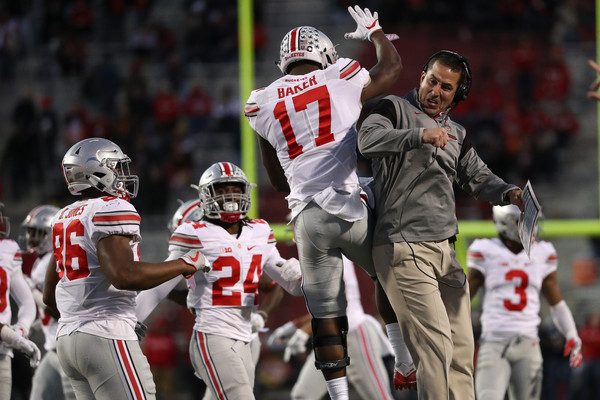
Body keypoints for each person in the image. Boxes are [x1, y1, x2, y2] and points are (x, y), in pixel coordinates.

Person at [244, 6, 405, 399]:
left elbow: (276, 178)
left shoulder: (261, 101)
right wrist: (375, 32)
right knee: (387, 276)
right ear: (324, 55)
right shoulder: (340, 75)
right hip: (349, 205)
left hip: (306, 217)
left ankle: (337, 394)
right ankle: (403, 360)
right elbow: (391, 68)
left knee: (326, 314)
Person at [358, 50, 525, 399]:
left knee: (462, 351)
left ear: (457, 95)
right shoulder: (391, 107)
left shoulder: (457, 133)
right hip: (403, 246)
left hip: (445, 251)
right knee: (436, 349)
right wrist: (418, 136)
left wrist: (508, 192)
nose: (436, 91)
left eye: (446, 87)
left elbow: (478, 176)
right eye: (432, 81)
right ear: (421, 76)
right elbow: (367, 140)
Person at [42, 137, 210, 400]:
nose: (123, 175)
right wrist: (184, 263)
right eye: (116, 167)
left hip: (67, 339)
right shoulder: (112, 208)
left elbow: (48, 298)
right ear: (96, 171)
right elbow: (124, 276)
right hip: (105, 335)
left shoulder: (63, 217)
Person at [135, 162, 303, 400]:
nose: (230, 196)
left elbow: (290, 285)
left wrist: (299, 271)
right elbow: (163, 285)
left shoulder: (260, 230)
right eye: (222, 190)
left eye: (234, 189)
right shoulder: (194, 232)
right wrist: (133, 319)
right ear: (206, 196)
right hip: (212, 334)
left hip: (246, 336)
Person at [468, 205, 582, 400]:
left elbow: (556, 303)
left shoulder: (543, 252)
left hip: (529, 343)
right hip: (493, 343)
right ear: (508, 224)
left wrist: (571, 334)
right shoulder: (485, 250)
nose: (533, 226)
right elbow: (464, 299)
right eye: (526, 221)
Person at [268, 255, 408, 400]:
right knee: (302, 396)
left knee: (379, 397)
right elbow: (325, 308)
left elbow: (342, 306)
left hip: (355, 335)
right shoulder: (310, 250)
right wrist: (294, 325)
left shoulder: (329, 249)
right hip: (329, 337)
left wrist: (304, 331)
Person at [22, 204, 76, 400]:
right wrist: (33, 327)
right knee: (38, 395)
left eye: (36, 232)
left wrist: (32, 290)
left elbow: (59, 310)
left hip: (67, 350)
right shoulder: (41, 262)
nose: (30, 238)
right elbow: (48, 315)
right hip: (53, 349)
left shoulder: (57, 261)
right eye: (30, 232)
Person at [0, 202, 38, 398]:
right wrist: (13, 337)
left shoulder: (7, 249)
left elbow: (26, 302)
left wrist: (21, 328)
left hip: (2, 354)